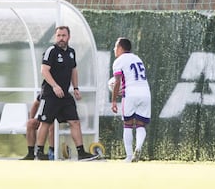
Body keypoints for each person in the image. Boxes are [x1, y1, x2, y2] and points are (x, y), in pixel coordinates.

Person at [35, 26, 98, 161]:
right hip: (50, 94)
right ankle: (39, 152)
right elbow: (44, 70)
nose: (61, 38)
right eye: (58, 36)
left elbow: (73, 70)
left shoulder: (71, 52)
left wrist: (75, 88)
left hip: (65, 95)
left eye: (63, 35)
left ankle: (81, 153)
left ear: (68, 37)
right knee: (45, 122)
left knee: (75, 121)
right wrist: (55, 86)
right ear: (55, 37)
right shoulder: (51, 51)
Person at [111, 37, 151, 163]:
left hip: (130, 93)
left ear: (120, 48)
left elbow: (117, 81)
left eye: (116, 47)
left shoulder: (118, 61)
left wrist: (113, 100)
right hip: (145, 93)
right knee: (140, 124)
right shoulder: (138, 59)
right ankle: (138, 147)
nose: (114, 49)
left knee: (127, 124)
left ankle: (129, 156)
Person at [20, 93, 55, 160]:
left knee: (51, 125)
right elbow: (35, 104)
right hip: (44, 118)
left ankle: (52, 151)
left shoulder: (61, 92)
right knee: (30, 123)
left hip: (56, 120)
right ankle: (31, 153)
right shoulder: (44, 92)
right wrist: (31, 118)